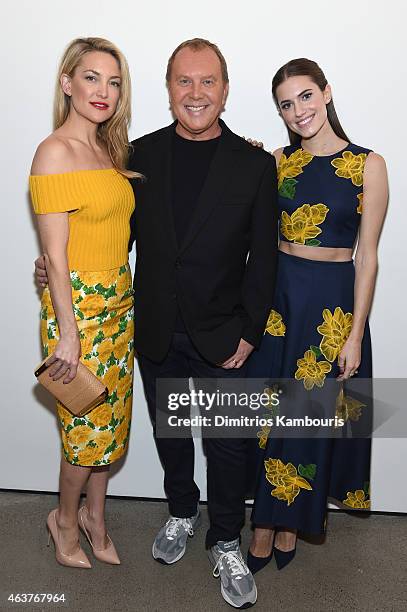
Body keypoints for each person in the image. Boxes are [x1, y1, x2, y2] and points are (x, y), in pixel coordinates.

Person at [35, 37, 278, 607]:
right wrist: (49, 266)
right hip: (154, 330)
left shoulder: (254, 163)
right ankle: (179, 511)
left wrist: (249, 331)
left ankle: (224, 538)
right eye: (183, 81)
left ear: (224, 89)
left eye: (207, 81)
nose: (196, 93)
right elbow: (102, 231)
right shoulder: (135, 157)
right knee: (172, 437)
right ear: (168, 90)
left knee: (227, 444)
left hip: (226, 335)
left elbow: (264, 259)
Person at [246, 58, 388, 574]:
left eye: (306, 96)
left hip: (331, 304)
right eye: (286, 103)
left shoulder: (368, 164)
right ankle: (263, 527)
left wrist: (353, 335)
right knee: (269, 418)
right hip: (279, 299)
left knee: (307, 421)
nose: (298, 110)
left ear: (326, 93)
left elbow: (368, 256)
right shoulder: (277, 160)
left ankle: (289, 524)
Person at [30, 37, 139, 568]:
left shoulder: (110, 151)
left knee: (112, 428)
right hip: (78, 314)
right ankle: (64, 521)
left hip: (120, 305)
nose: (103, 91)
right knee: (84, 435)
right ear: (67, 82)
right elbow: (53, 253)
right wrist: (67, 334)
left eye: (113, 81)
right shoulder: (55, 152)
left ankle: (96, 517)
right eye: (92, 77)